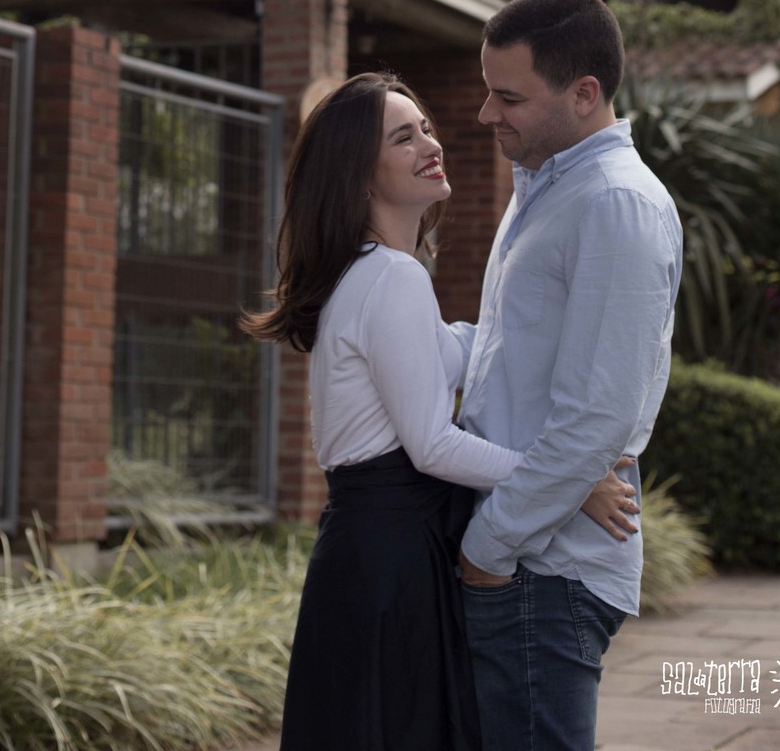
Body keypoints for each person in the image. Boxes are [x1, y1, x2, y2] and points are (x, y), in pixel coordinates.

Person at [242, 71, 640, 751]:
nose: (431, 144)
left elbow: (452, 351)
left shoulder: (377, 271)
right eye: (404, 137)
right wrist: (570, 478)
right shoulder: (389, 277)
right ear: (359, 175)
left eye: (425, 127)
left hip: (376, 550)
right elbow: (432, 446)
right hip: (390, 556)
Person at [455, 0, 683, 751]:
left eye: (507, 96)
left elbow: (598, 415)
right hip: (530, 551)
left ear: (584, 94)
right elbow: (506, 353)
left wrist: (489, 548)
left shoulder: (613, 204)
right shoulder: (549, 188)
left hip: (539, 566)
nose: (488, 114)